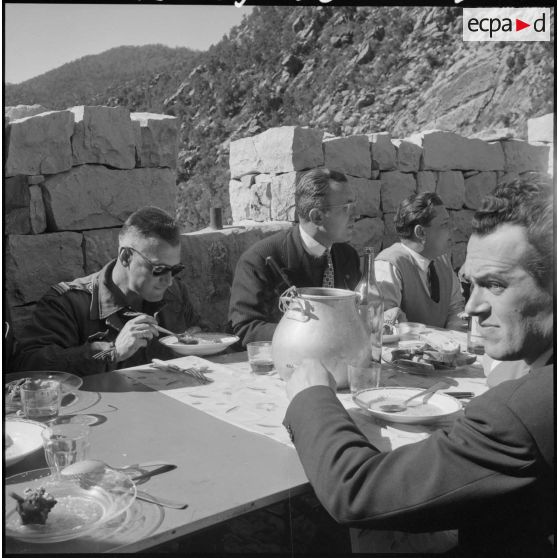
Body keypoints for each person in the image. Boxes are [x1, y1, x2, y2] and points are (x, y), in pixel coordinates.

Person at [283, 176, 554, 556]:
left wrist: (311, 396)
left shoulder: (520, 413)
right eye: (470, 284)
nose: (474, 306)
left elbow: (357, 491)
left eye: (495, 285)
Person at [15, 206, 201, 375]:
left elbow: (199, 335)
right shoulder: (69, 304)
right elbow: (29, 366)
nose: (168, 281)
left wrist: (198, 341)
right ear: (126, 257)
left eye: (175, 269)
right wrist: (111, 352)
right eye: (159, 269)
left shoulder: (175, 294)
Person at [228, 168, 361, 346]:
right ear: (317, 217)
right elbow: (245, 329)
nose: (356, 215)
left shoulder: (347, 256)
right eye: (347, 208)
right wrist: (309, 333)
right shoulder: (260, 260)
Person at [375, 192, 465, 329]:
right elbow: (387, 324)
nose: (453, 229)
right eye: (445, 224)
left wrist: (451, 341)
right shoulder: (389, 265)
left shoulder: (442, 262)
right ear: (420, 232)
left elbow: (456, 310)